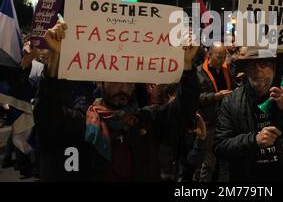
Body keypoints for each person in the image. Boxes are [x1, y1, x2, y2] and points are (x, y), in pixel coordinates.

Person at [34, 21, 200, 181]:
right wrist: (55, 61)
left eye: (129, 83)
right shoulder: (81, 122)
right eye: (115, 80)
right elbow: (47, 117)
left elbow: (183, 112)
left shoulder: (147, 119)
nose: (123, 88)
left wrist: (186, 66)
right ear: (100, 82)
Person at [213, 48, 283, 181]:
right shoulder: (232, 102)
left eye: (264, 64)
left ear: (274, 67)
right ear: (245, 70)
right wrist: (254, 140)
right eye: (252, 65)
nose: (259, 70)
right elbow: (220, 146)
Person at [196, 41, 236, 182]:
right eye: (218, 57)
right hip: (210, 121)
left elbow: (233, 86)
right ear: (209, 54)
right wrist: (216, 96)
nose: (222, 61)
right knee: (209, 162)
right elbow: (197, 98)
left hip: (226, 120)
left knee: (225, 161)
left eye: (224, 57)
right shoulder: (199, 72)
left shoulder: (226, 70)